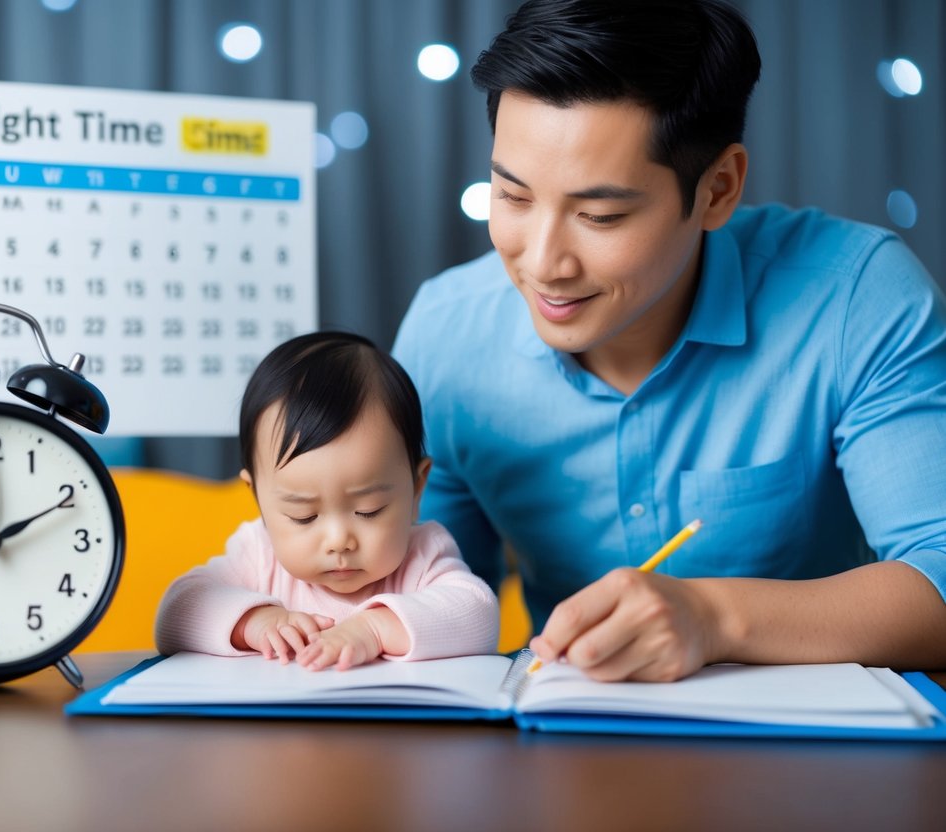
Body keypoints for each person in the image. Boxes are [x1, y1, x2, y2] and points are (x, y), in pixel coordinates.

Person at [393, 0, 946, 682]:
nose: (541, 262)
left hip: (819, 761)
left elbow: (938, 569)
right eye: (510, 197)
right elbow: (429, 599)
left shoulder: (855, 296)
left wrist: (713, 616)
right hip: (560, 749)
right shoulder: (445, 333)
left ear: (717, 189)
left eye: (599, 215)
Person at [155, 331, 499, 671]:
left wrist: (375, 628)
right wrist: (254, 622)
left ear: (417, 487)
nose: (338, 541)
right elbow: (176, 612)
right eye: (303, 516)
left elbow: (478, 613)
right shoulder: (259, 554)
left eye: (369, 510)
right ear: (258, 498)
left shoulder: (422, 554)